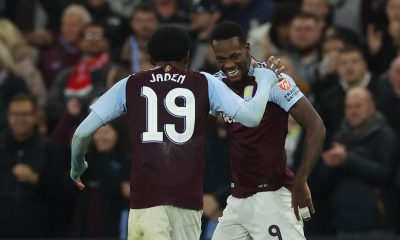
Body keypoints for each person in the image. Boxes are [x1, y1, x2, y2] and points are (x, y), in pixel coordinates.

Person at [70, 26, 284, 240]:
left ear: (152, 58)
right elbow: (252, 117)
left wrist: (77, 166)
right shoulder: (205, 82)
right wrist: (265, 80)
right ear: (187, 57)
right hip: (188, 203)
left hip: (146, 203)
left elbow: (81, 134)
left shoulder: (130, 84)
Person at [209, 21, 326, 239]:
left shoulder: (272, 79)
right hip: (237, 199)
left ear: (247, 48)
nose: (228, 65)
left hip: (272, 195)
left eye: (234, 56)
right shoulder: (217, 84)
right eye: (221, 59)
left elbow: (316, 126)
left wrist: (301, 179)